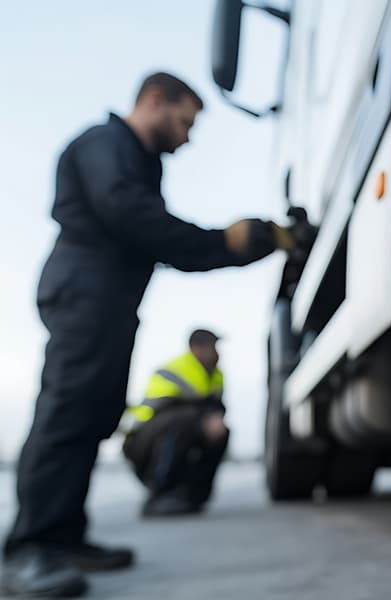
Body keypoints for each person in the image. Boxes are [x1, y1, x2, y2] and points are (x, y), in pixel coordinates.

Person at [1, 72, 299, 598]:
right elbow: (139, 221)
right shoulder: (106, 144)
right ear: (155, 100)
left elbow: (154, 234)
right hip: (84, 295)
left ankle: (65, 535)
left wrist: (232, 247)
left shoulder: (138, 162)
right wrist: (225, 244)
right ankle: (29, 545)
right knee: (67, 413)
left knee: (93, 416)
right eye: (185, 122)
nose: (187, 137)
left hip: (110, 303)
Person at [123, 329, 232, 517]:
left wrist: (215, 420)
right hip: (141, 441)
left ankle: (194, 496)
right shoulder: (171, 371)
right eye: (212, 347)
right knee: (182, 422)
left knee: (221, 431)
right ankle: (158, 494)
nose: (216, 353)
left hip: (184, 429)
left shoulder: (216, 375)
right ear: (196, 348)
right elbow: (163, 408)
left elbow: (217, 407)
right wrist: (203, 418)